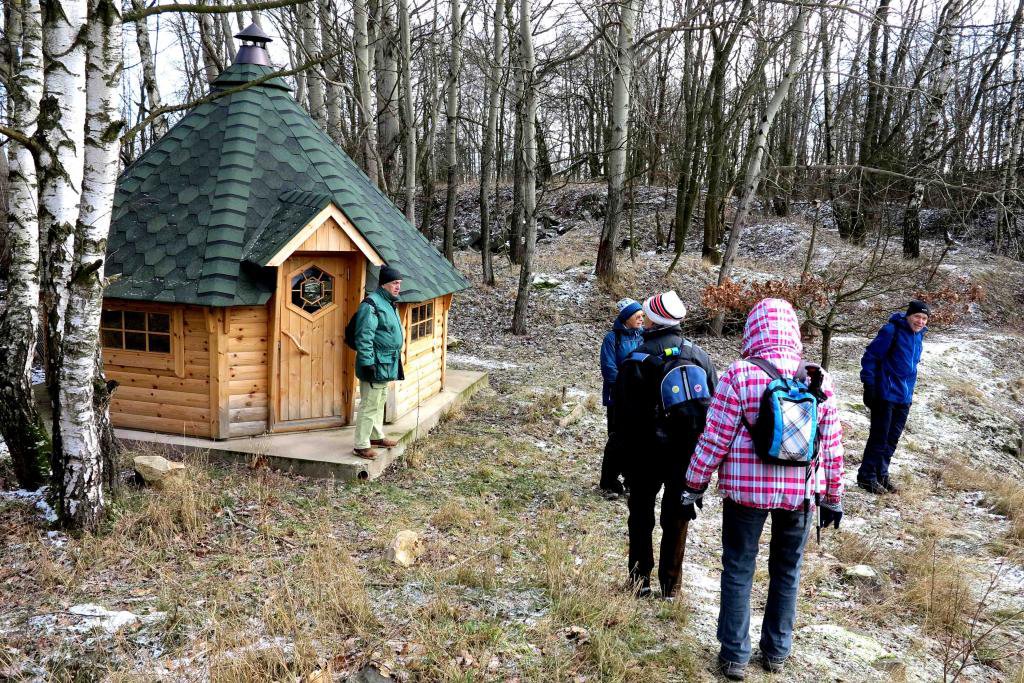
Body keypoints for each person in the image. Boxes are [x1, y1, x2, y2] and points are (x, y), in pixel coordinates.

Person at [681, 299, 844, 680]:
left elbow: (714, 438)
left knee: (738, 567)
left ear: (752, 329)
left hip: (745, 493)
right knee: (787, 570)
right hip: (801, 493)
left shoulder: (739, 373)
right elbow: (833, 444)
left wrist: (693, 485)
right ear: (793, 331)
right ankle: (776, 652)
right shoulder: (817, 377)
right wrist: (833, 497)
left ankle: (734, 656)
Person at [614, 291, 717, 598]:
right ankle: (671, 587)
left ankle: (639, 581)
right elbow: (713, 409)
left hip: (644, 453)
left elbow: (622, 417)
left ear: (653, 321)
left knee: (640, 515)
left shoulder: (637, 359)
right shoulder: (700, 356)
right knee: (677, 517)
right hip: (686, 452)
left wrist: (621, 458)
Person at [858, 299, 929, 494]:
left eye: (924, 318)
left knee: (892, 439)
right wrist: (869, 385)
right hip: (885, 394)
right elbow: (870, 357)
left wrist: (909, 394)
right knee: (879, 437)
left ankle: (881, 474)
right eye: (917, 316)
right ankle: (866, 477)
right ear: (908, 316)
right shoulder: (891, 331)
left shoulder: (919, 336)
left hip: (904, 398)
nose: (920, 321)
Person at [352, 265, 405, 459]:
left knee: (379, 400)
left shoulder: (388, 303)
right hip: (374, 363)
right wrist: (368, 363)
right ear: (384, 284)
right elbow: (364, 336)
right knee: (369, 404)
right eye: (394, 283)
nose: (398, 287)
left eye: (399, 283)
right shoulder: (371, 304)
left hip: (386, 363)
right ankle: (361, 445)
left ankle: (375, 436)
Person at [599, 298, 645, 498]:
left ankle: (631, 479)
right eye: (638, 316)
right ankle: (609, 481)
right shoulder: (612, 339)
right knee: (617, 438)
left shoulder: (644, 336)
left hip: (638, 398)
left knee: (637, 439)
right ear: (626, 318)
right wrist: (627, 387)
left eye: (643, 316)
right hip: (618, 398)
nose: (641, 319)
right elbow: (609, 369)